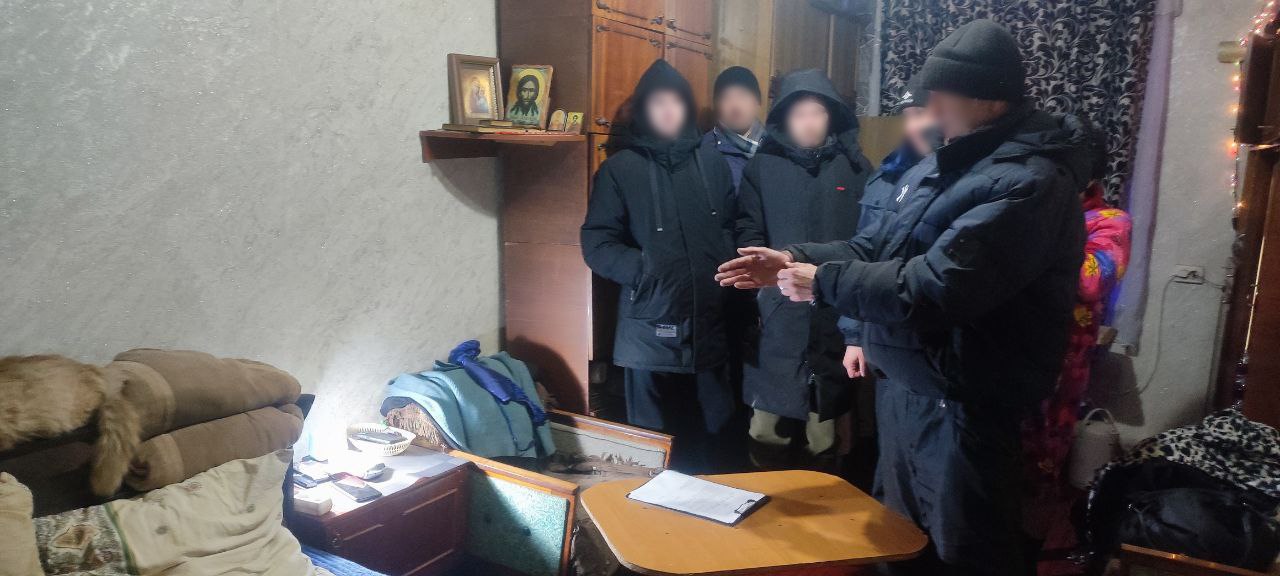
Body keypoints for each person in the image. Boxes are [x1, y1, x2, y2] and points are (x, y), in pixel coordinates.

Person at [715, 19, 1091, 575]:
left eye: (942, 96)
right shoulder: (945, 162)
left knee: (964, 552)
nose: (929, 109)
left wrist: (822, 282)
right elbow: (875, 245)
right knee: (897, 543)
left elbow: (935, 287)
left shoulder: (1028, 183)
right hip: (909, 395)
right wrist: (792, 258)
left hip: (963, 407)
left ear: (989, 99)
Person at [580, 59, 738, 474]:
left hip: (709, 330)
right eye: (658, 103)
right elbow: (597, 242)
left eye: (676, 102)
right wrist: (646, 270)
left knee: (716, 443)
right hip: (649, 334)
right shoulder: (620, 170)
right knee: (656, 454)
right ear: (645, 110)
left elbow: (732, 226)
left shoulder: (713, 164)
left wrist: (722, 266)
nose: (668, 111)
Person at [734, 69, 870, 469]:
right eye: (799, 114)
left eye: (817, 112)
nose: (808, 122)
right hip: (776, 315)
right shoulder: (762, 167)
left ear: (831, 116)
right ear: (785, 119)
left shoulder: (857, 168)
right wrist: (763, 279)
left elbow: (870, 244)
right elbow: (747, 229)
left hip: (835, 314)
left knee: (824, 435)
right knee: (765, 433)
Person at [1021, 133, 1131, 546]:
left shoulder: (1111, 221)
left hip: (1061, 361)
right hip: (1010, 351)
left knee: (1043, 459)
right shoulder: (1029, 208)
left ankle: (1029, 546)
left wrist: (1043, 230)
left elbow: (1092, 281)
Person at [840, 76, 938, 381]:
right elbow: (864, 257)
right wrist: (854, 335)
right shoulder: (885, 177)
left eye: (920, 114)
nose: (912, 127)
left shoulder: (964, 178)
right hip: (881, 334)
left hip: (930, 336)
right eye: (907, 117)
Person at [702, 66, 765, 189]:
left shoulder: (776, 147)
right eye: (726, 97)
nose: (735, 106)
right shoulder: (705, 151)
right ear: (717, 106)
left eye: (743, 95)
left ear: (757, 102)